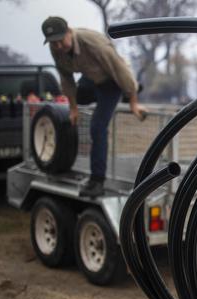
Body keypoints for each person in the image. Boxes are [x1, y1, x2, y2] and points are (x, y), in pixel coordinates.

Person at [42, 16, 147, 197]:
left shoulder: (93, 43)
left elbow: (120, 69)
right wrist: (73, 108)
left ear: (69, 32)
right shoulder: (56, 49)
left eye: (60, 41)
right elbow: (66, 80)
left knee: (97, 127)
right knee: (78, 96)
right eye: (53, 43)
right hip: (90, 78)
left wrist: (134, 102)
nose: (58, 46)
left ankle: (97, 181)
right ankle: (121, 94)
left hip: (112, 81)